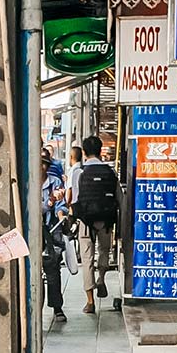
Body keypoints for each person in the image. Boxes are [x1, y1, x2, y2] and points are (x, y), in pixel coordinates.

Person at [72, 133, 123, 315]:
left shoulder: (80, 172)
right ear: (100, 151)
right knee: (104, 251)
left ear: (84, 152)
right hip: (106, 219)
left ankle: (90, 302)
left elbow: (76, 199)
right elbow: (120, 199)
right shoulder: (110, 173)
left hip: (86, 221)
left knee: (87, 259)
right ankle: (101, 278)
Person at [42, 148, 67, 322]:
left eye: (44, 164)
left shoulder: (55, 182)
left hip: (51, 230)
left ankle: (57, 307)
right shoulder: (26, 181)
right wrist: (50, 201)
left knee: (53, 270)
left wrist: (61, 216)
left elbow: (61, 206)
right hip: (32, 232)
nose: (41, 167)